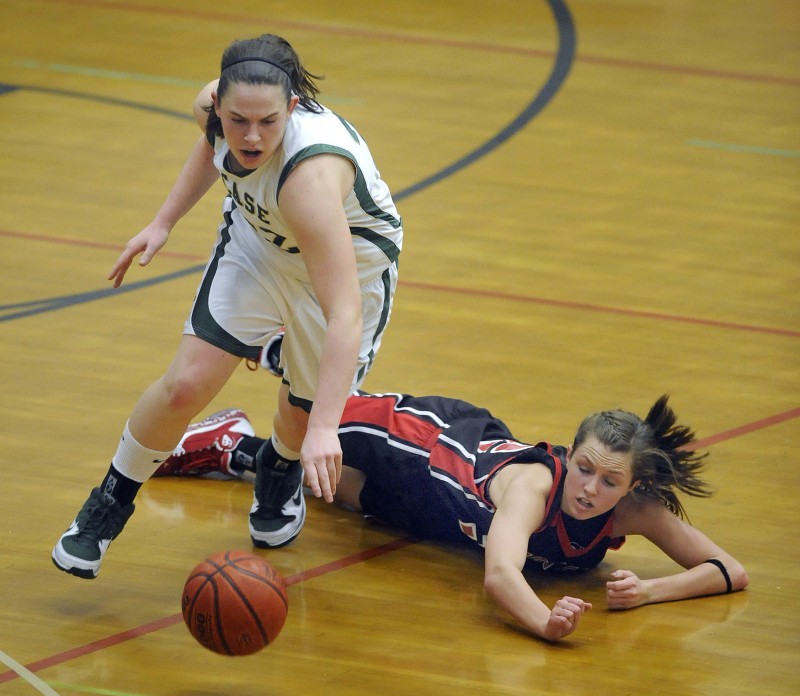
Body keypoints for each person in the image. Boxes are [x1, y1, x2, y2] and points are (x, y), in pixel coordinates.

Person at [52, 33, 403, 579]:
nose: (252, 136)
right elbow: (211, 150)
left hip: (339, 276)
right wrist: (163, 221)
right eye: (238, 120)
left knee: (303, 412)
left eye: (267, 122)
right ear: (218, 105)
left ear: (291, 107)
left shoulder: (308, 180)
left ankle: (278, 467)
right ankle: (108, 503)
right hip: (260, 248)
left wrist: (324, 429)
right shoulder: (213, 111)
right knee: (185, 383)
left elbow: (345, 315)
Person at [155, 386, 749, 642]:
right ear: (569, 455)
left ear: (632, 486)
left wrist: (650, 591)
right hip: (425, 445)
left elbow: (729, 570)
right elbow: (500, 577)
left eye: (609, 481)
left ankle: (232, 446)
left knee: (331, 489)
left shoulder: (634, 512)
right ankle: (286, 345)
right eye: (584, 468)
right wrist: (545, 624)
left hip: (437, 517)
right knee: (313, 420)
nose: (590, 489)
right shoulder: (536, 490)